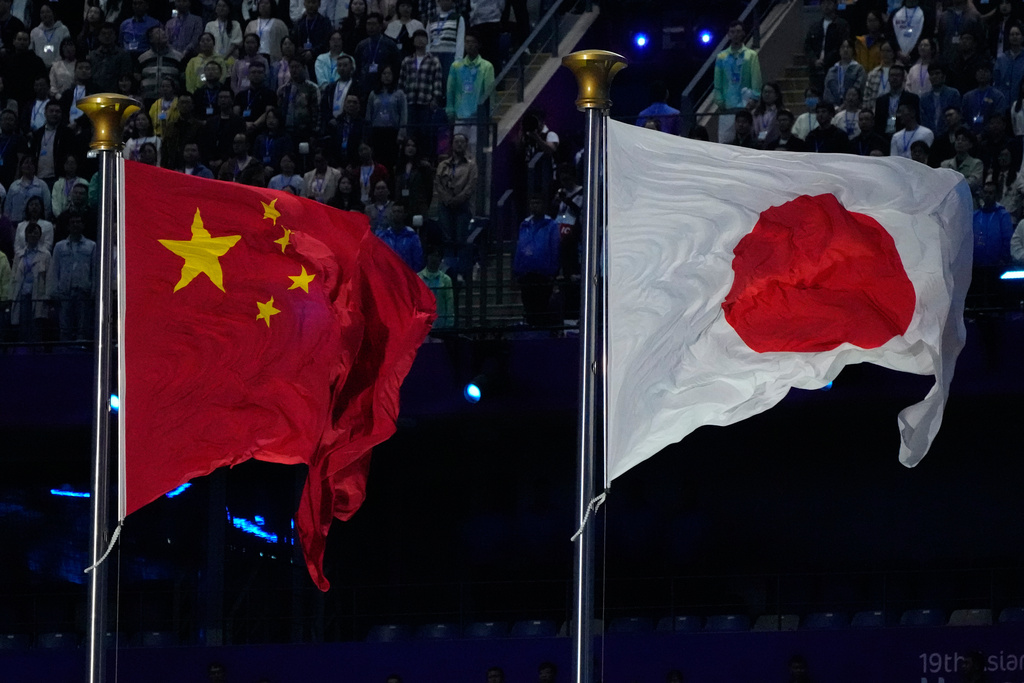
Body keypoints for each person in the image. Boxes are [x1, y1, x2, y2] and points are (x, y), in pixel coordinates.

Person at [48, 211, 95, 342]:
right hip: (64, 292)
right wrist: (53, 291)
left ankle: (81, 350)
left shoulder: (92, 246)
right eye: (72, 222)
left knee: (83, 326)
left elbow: (94, 270)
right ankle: (64, 351)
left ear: (83, 225)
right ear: (68, 226)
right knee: (64, 326)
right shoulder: (59, 246)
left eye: (78, 222)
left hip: (83, 291)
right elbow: (54, 269)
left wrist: (94, 290)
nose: (75, 225)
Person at [514, 194, 559, 327]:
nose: (535, 206)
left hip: (543, 274)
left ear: (544, 206)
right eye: (533, 203)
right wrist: (517, 269)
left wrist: (553, 271)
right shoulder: (525, 224)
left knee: (542, 307)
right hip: (526, 273)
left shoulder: (551, 225)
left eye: (538, 203)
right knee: (528, 307)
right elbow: (520, 247)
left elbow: (554, 248)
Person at [434, 132, 476, 276]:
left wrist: (458, 199)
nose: (459, 144)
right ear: (452, 145)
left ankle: (461, 272)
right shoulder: (443, 165)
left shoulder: (471, 165)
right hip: (445, 206)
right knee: (447, 239)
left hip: (462, 206)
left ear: (466, 145)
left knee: (460, 239)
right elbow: (438, 184)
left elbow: (470, 186)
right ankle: (448, 271)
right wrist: (447, 199)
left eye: (462, 142)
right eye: (456, 142)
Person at [713, 20, 762, 143]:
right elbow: (717, 82)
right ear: (728, 35)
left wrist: (754, 98)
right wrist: (719, 100)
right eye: (732, 32)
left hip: (746, 107)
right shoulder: (721, 57)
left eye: (738, 31)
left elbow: (756, 79)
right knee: (725, 141)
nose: (735, 34)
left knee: (747, 141)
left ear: (743, 33)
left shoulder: (751, 55)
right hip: (727, 107)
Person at [445, 31, 493, 154]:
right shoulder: (456, 66)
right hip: (460, 115)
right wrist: (450, 110)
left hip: (477, 116)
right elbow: (450, 90)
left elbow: (490, 92)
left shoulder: (486, 66)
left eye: (473, 42)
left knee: (474, 148)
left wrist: (490, 114)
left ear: (478, 45)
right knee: (458, 147)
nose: (469, 45)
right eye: (467, 42)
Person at [399, 28, 442, 156]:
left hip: (425, 103)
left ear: (427, 41)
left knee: (425, 133)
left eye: (423, 37)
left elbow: (437, 81)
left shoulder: (434, 60)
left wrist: (435, 99)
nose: (420, 40)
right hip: (410, 102)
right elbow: (401, 82)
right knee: (410, 134)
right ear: (413, 41)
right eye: (417, 37)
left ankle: (425, 159)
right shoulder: (406, 61)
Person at [9, 221, 49, 345]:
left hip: (38, 295)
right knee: (22, 325)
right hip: (22, 294)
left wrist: (47, 297)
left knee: (36, 326)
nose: (33, 235)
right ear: (26, 235)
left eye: (36, 233)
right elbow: (13, 276)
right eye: (30, 233)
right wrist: (11, 297)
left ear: (40, 235)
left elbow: (49, 277)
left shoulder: (46, 255)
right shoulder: (19, 255)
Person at [365, 63, 407, 170]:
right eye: (384, 73)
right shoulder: (373, 94)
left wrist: (401, 133)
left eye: (389, 74)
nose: (387, 76)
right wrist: (368, 133)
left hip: (393, 132)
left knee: (391, 163)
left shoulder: (399, 94)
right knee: (378, 162)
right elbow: (369, 114)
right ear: (380, 75)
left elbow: (403, 114)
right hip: (377, 132)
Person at [804, 0, 850, 92]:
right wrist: (814, 60)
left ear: (835, 5)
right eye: (824, 3)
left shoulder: (842, 25)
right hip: (815, 70)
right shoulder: (815, 26)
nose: (826, 6)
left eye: (829, 3)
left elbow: (842, 45)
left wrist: (826, 60)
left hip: (834, 67)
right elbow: (807, 46)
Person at [355, 12, 400, 94]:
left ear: (381, 26)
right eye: (368, 24)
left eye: (374, 24)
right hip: (365, 86)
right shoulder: (361, 45)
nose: (371, 27)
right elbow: (358, 66)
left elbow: (396, 66)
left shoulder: (389, 44)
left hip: (384, 86)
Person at [873, 61, 919, 135]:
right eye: (892, 75)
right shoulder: (881, 100)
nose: (894, 78)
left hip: (904, 134)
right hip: (883, 136)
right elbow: (877, 122)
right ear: (888, 78)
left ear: (903, 78)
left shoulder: (912, 98)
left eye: (897, 75)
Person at [375, 201, 423, 271]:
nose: (396, 214)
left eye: (399, 212)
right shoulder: (383, 237)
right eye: (394, 212)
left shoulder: (412, 237)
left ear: (404, 215)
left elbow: (418, 262)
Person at [962, 62, 1009, 134]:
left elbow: (999, 118)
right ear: (975, 74)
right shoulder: (967, 96)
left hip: (991, 135)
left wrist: (984, 133)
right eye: (979, 71)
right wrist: (968, 132)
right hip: (970, 135)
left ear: (991, 74)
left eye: (985, 71)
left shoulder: (998, 96)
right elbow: (963, 117)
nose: (982, 73)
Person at [426, 0, 464, 85]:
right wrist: (427, 57)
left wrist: (458, 60)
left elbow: (460, 41)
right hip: (433, 56)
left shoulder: (458, 18)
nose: (445, 2)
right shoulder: (432, 20)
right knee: (434, 83)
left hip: (450, 56)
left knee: (448, 84)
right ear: (438, 2)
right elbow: (427, 40)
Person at [941, 126, 985, 194]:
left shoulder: (977, 163)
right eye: (957, 139)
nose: (959, 142)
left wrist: (951, 184)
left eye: (963, 140)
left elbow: (972, 184)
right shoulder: (945, 164)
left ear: (970, 145)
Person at [921, 64, 963, 136]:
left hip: (949, 134)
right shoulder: (924, 98)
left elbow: (957, 116)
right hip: (929, 134)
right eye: (931, 74)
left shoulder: (953, 93)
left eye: (937, 73)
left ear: (944, 76)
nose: (934, 76)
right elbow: (924, 119)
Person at [417, 246, 453, 328]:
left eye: (437, 256)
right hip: (423, 325)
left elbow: (449, 304)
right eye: (432, 255)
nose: (434, 259)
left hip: (441, 325)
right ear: (427, 257)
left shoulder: (446, 280)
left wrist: (449, 324)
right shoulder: (418, 278)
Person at [823, 39, 866, 106]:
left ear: (853, 50)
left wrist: (844, 105)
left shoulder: (859, 69)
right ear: (839, 50)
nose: (845, 50)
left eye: (848, 47)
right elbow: (827, 91)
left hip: (853, 106)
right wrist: (834, 107)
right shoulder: (832, 70)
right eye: (843, 47)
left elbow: (858, 88)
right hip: (833, 108)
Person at [31, 3, 71, 69]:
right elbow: (32, 51)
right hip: (40, 68)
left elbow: (67, 48)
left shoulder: (63, 29)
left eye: (48, 12)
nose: (45, 15)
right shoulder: (35, 32)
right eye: (42, 12)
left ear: (53, 13)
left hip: (59, 67)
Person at [994, 23, 1024, 103]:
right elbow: (996, 82)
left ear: (1022, 37)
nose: (1014, 37)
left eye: (1017, 34)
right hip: (1003, 103)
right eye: (1012, 34)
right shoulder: (1001, 59)